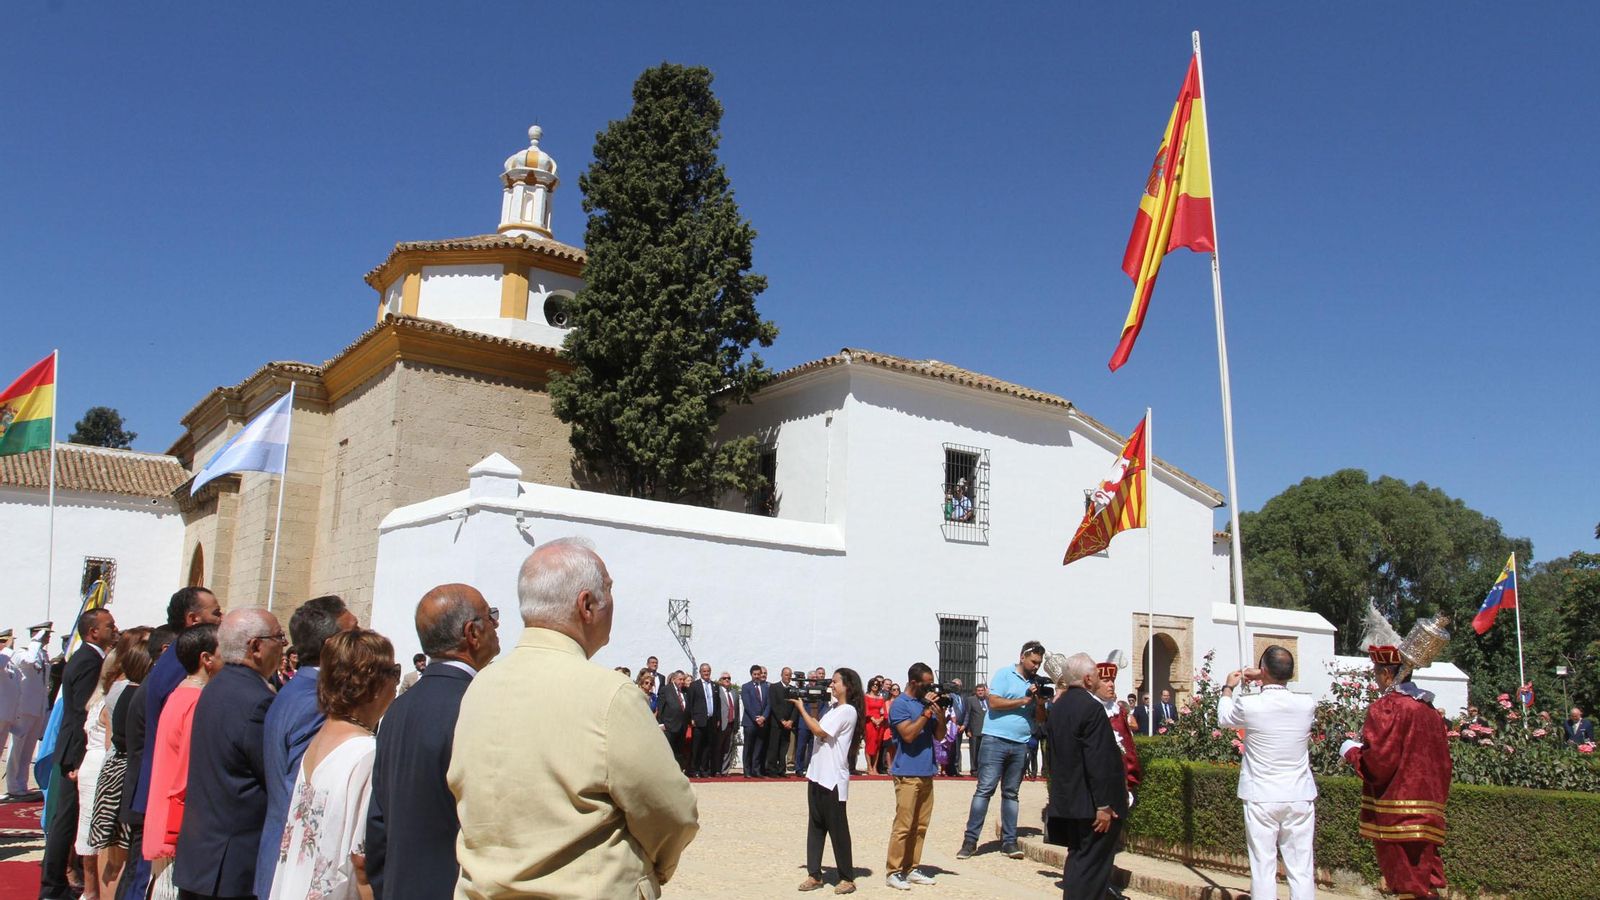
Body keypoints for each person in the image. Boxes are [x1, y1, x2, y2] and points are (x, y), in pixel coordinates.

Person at [449, 538, 698, 898]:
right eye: (609, 591)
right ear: (586, 605)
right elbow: (673, 812)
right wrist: (652, 868)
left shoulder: (480, 685)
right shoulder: (610, 694)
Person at [365, 583, 499, 900]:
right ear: (472, 633)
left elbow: (378, 825)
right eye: (490, 616)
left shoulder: (397, 710)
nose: (496, 624)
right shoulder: (477, 706)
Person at [269, 629, 398, 899]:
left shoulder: (322, 736)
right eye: (393, 672)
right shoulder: (366, 752)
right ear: (371, 682)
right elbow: (362, 859)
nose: (396, 684)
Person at [174, 608, 284, 900]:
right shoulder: (256, 701)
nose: (283, 647)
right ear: (256, 647)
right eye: (279, 638)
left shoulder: (217, 686)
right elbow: (272, 775)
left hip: (203, 852)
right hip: (231, 862)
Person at [256, 595, 360, 899]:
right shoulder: (315, 702)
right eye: (353, 633)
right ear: (332, 645)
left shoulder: (296, 691)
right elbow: (308, 791)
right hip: (299, 865)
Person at [127, 586, 222, 900]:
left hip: (163, 788)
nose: (222, 618)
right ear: (194, 619)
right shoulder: (182, 667)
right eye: (216, 613)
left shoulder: (177, 659)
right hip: (167, 792)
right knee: (151, 885)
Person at [1340, 644, 1452, 900]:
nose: (1376, 679)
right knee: (1427, 882)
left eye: (1376, 673)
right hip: (1428, 810)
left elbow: (1378, 763)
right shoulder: (1429, 709)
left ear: (1387, 675)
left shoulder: (1388, 707)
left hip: (1397, 813)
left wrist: (1351, 752)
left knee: (1406, 884)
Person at [1217, 646, 1317, 900]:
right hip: (1298, 795)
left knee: (1263, 867)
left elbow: (1225, 718)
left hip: (1261, 796)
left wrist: (1228, 688)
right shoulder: (1307, 704)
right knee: (1301, 869)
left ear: (1264, 671)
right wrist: (1262, 675)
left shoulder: (1250, 705)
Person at [40, 607, 118, 900]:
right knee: (66, 820)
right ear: (93, 632)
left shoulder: (88, 657)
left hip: (74, 750)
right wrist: (77, 759)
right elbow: (80, 714)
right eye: (109, 625)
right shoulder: (88, 661)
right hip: (77, 751)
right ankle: (52, 885)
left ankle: (54, 882)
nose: (115, 628)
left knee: (67, 819)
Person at [1044, 653, 1127, 899]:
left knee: (1079, 860)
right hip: (1091, 804)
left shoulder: (1059, 707)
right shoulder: (1091, 708)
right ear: (1089, 678)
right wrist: (1104, 804)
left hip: (1070, 801)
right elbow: (1098, 759)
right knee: (1092, 866)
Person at [958, 640, 1044, 860]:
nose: (1036, 666)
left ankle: (1009, 841)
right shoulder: (1004, 674)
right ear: (1023, 656)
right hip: (995, 739)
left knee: (1011, 793)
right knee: (985, 789)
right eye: (1034, 661)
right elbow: (994, 703)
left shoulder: (1036, 683)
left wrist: (1040, 702)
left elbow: (1041, 719)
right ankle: (970, 841)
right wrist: (1023, 700)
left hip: (1021, 742)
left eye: (1039, 663)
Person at [89, 627, 153, 889]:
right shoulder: (132, 693)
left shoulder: (118, 689)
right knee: (119, 856)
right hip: (123, 771)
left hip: (114, 768)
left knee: (111, 852)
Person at [113, 625, 172, 900]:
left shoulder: (151, 684)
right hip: (143, 792)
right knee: (138, 874)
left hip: (142, 790)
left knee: (135, 871)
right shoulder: (153, 688)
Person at [794, 668, 864, 895]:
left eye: (835, 682)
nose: (831, 685)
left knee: (838, 829)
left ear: (847, 686)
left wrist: (801, 708)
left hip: (833, 777)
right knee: (815, 826)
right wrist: (813, 705)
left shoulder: (848, 711)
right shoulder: (833, 708)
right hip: (817, 773)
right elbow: (819, 724)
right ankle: (814, 874)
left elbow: (819, 731)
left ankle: (846, 876)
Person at [883, 662, 944, 891]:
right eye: (926, 684)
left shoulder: (924, 704)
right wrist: (926, 713)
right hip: (907, 772)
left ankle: (912, 867)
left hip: (927, 771)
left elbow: (939, 736)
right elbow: (907, 735)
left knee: (920, 825)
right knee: (903, 826)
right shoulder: (900, 705)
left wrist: (940, 713)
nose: (929, 688)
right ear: (913, 682)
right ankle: (894, 871)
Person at [5, 623, 52, 800]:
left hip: (37, 707)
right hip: (24, 708)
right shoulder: (23, 653)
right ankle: (13, 786)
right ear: (36, 634)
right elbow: (29, 662)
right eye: (45, 634)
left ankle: (21, 784)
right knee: (17, 749)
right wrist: (34, 641)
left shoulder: (43, 655)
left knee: (27, 750)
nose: (48, 638)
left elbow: (44, 683)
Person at [1092, 662, 1141, 806]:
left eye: (1112, 680)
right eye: (1105, 680)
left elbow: (1128, 745)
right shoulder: (1089, 710)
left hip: (1121, 780)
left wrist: (1129, 778)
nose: (1111, 684)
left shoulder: (1119, 712)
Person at [687, 661, 723, 777]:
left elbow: (717, 703)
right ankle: (695, 770)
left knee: (708, 746)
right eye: (704, 671)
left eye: (708, 671)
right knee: (697, 746)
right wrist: (691, 718)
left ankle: (704, 769)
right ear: (700, 672)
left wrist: (717, 718)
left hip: (711, 720)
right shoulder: (694, 685)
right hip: (698, 720)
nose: (706, 673)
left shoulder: (715, 685)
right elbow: (690, 703)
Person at [656, 669, 691, 771]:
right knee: (669, 750)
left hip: (682, 726)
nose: (682, 682)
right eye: (680, 679)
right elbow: (661, 707)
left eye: (683, 680)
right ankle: (667, 771)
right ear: (674, 679)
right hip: (669, 725)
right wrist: (661, 723)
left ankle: (678, 770)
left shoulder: (685, 691)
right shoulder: (666, 690)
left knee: (679, 750)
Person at [742, 665, 772, 777]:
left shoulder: (766, 687)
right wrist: (756, 718)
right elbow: (747, 705)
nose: (757, 676)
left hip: (762, 722)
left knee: (759, 748)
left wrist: (764, 717)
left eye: (758, 674)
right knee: (749, 747)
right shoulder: (746, 687)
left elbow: (769, 704)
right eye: (754, 674)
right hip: (750, 722)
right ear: (751, 675)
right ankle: (747, 770)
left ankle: (756, 770)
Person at [768, 667, 798, 777]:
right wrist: (782, 720)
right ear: (781, 675)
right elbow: (774, 705)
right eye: (786, 675)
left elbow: (796, 707)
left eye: (790, 675)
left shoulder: (793, 689)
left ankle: (781, 770)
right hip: (777, 723)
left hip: (788, 725)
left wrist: (791, 721)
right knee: (774, 747)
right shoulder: (774, 687)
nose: (788, 677)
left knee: (784, 748)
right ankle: (772, 770)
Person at [961, 682, 988, 775]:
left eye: (982, 690)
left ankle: (982, 769)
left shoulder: (988, 700)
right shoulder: (971, 700)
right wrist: (967, 729)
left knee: (984, 751)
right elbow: (967, 714)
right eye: (978, 690)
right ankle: (974, 769)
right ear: (975, 692)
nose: (980, 692)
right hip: (974, 730)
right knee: (974, 751)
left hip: (986, 731)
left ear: (985, 691)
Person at [716, 672, 740, 775]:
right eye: (724, 678)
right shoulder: (717, 692)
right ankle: (716, 769)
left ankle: (724, 770)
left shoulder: (734, 692)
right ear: (720, 680)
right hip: (721, 724)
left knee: (728, 748)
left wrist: (737, 724)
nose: (727, 680)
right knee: (718, 748)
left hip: (731, 723)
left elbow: (737, 709)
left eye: (729, 678)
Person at [863, 677, 887, 775]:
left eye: (877, 684)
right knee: (869, 744)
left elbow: (884, 711)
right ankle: (869, 767)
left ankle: (875, 767)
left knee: (877, 745)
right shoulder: (866, 696)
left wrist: (880, 720)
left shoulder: (881, 698)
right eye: (873, 684)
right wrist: (873, 720)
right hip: (869, 722)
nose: (875, 686)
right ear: (870, 685)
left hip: (879, 723)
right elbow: (866, 710)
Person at [943, 678, 966, 776]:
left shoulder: (963, 697)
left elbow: (967, 712)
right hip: (951, 726)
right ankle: (950, 769)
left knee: (957, 748)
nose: (956, 687)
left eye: (958, 685)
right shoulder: (949, 696)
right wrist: (955, 724)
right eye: (954, 685)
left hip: (961, 727)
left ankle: (956, 768)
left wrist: (964, 725)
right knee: (950, 748)